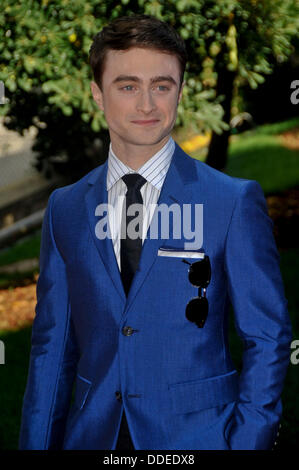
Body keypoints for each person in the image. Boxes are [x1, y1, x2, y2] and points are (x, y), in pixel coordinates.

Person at [19, 14, 292, 450]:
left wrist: (248, 441)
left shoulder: (231, 202)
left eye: (162, 86)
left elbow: (268, 337)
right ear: (97, 94)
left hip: (200, 440)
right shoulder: (65, 209)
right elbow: (51, 350)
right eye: (127, 86)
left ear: (179, 92)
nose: (146, 104)